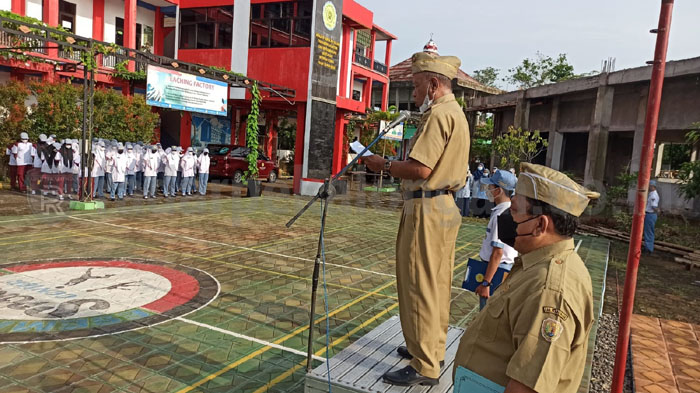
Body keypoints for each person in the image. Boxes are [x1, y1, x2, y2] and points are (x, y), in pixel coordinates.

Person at [363, 52, 469, 386]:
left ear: (434, 84)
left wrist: (383, 165)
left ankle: (424, 365)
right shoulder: (456, 114)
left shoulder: (438, 116)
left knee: (418, 282)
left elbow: (421, 169)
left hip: (427, 207)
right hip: (443, 207)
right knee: (436, 284)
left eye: (417, 85)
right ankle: (430, 349)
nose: (413, 92)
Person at [453, 163, 599, 393]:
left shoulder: (549, 291)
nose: (507, 219)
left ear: (540, 225)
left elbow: (528, 386)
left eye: (514, 212)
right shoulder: (535, 263)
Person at [475, 169, 518, 310]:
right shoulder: (506, 211)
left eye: (491, 187)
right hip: (498, 269)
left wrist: (486, 283)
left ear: (499, 190)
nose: (488, 189)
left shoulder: (502, 214)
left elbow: (497, 253)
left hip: (496, 272)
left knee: (487, 314)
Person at [643, 180, 660, 254]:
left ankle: (649, 249)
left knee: (649, 232)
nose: (649, 187)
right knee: (648, 231)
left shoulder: (653, 195)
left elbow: (653, 206)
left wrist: (658, 210)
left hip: (650, 215)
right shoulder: (651, 193)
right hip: (650, 214)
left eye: (650, 186)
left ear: (653, 186)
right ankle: (647, 247)